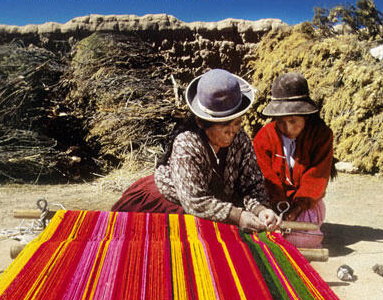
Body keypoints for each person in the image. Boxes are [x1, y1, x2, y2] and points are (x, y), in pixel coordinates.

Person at [112, 68, 279, 232]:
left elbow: (251, 184)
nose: (232, 131)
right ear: (201, 122)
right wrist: (238, 216)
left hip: (210, 204)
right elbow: (195, 201)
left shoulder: (240, 139)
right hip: (172, 202)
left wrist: (261, 209)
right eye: (223, 125)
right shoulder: (186, 143)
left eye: (236, 122)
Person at [253, 72, 334, 248]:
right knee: (262, 231)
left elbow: (317, 176)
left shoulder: (321, 135)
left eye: (293, 121)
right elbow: (266, 177)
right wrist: (278, 206)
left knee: (301, 239)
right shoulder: (264, 137)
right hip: (271, 202)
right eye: (281, 122)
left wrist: (297, 207)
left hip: (306, 203)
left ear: (306, 116)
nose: (287, 128)